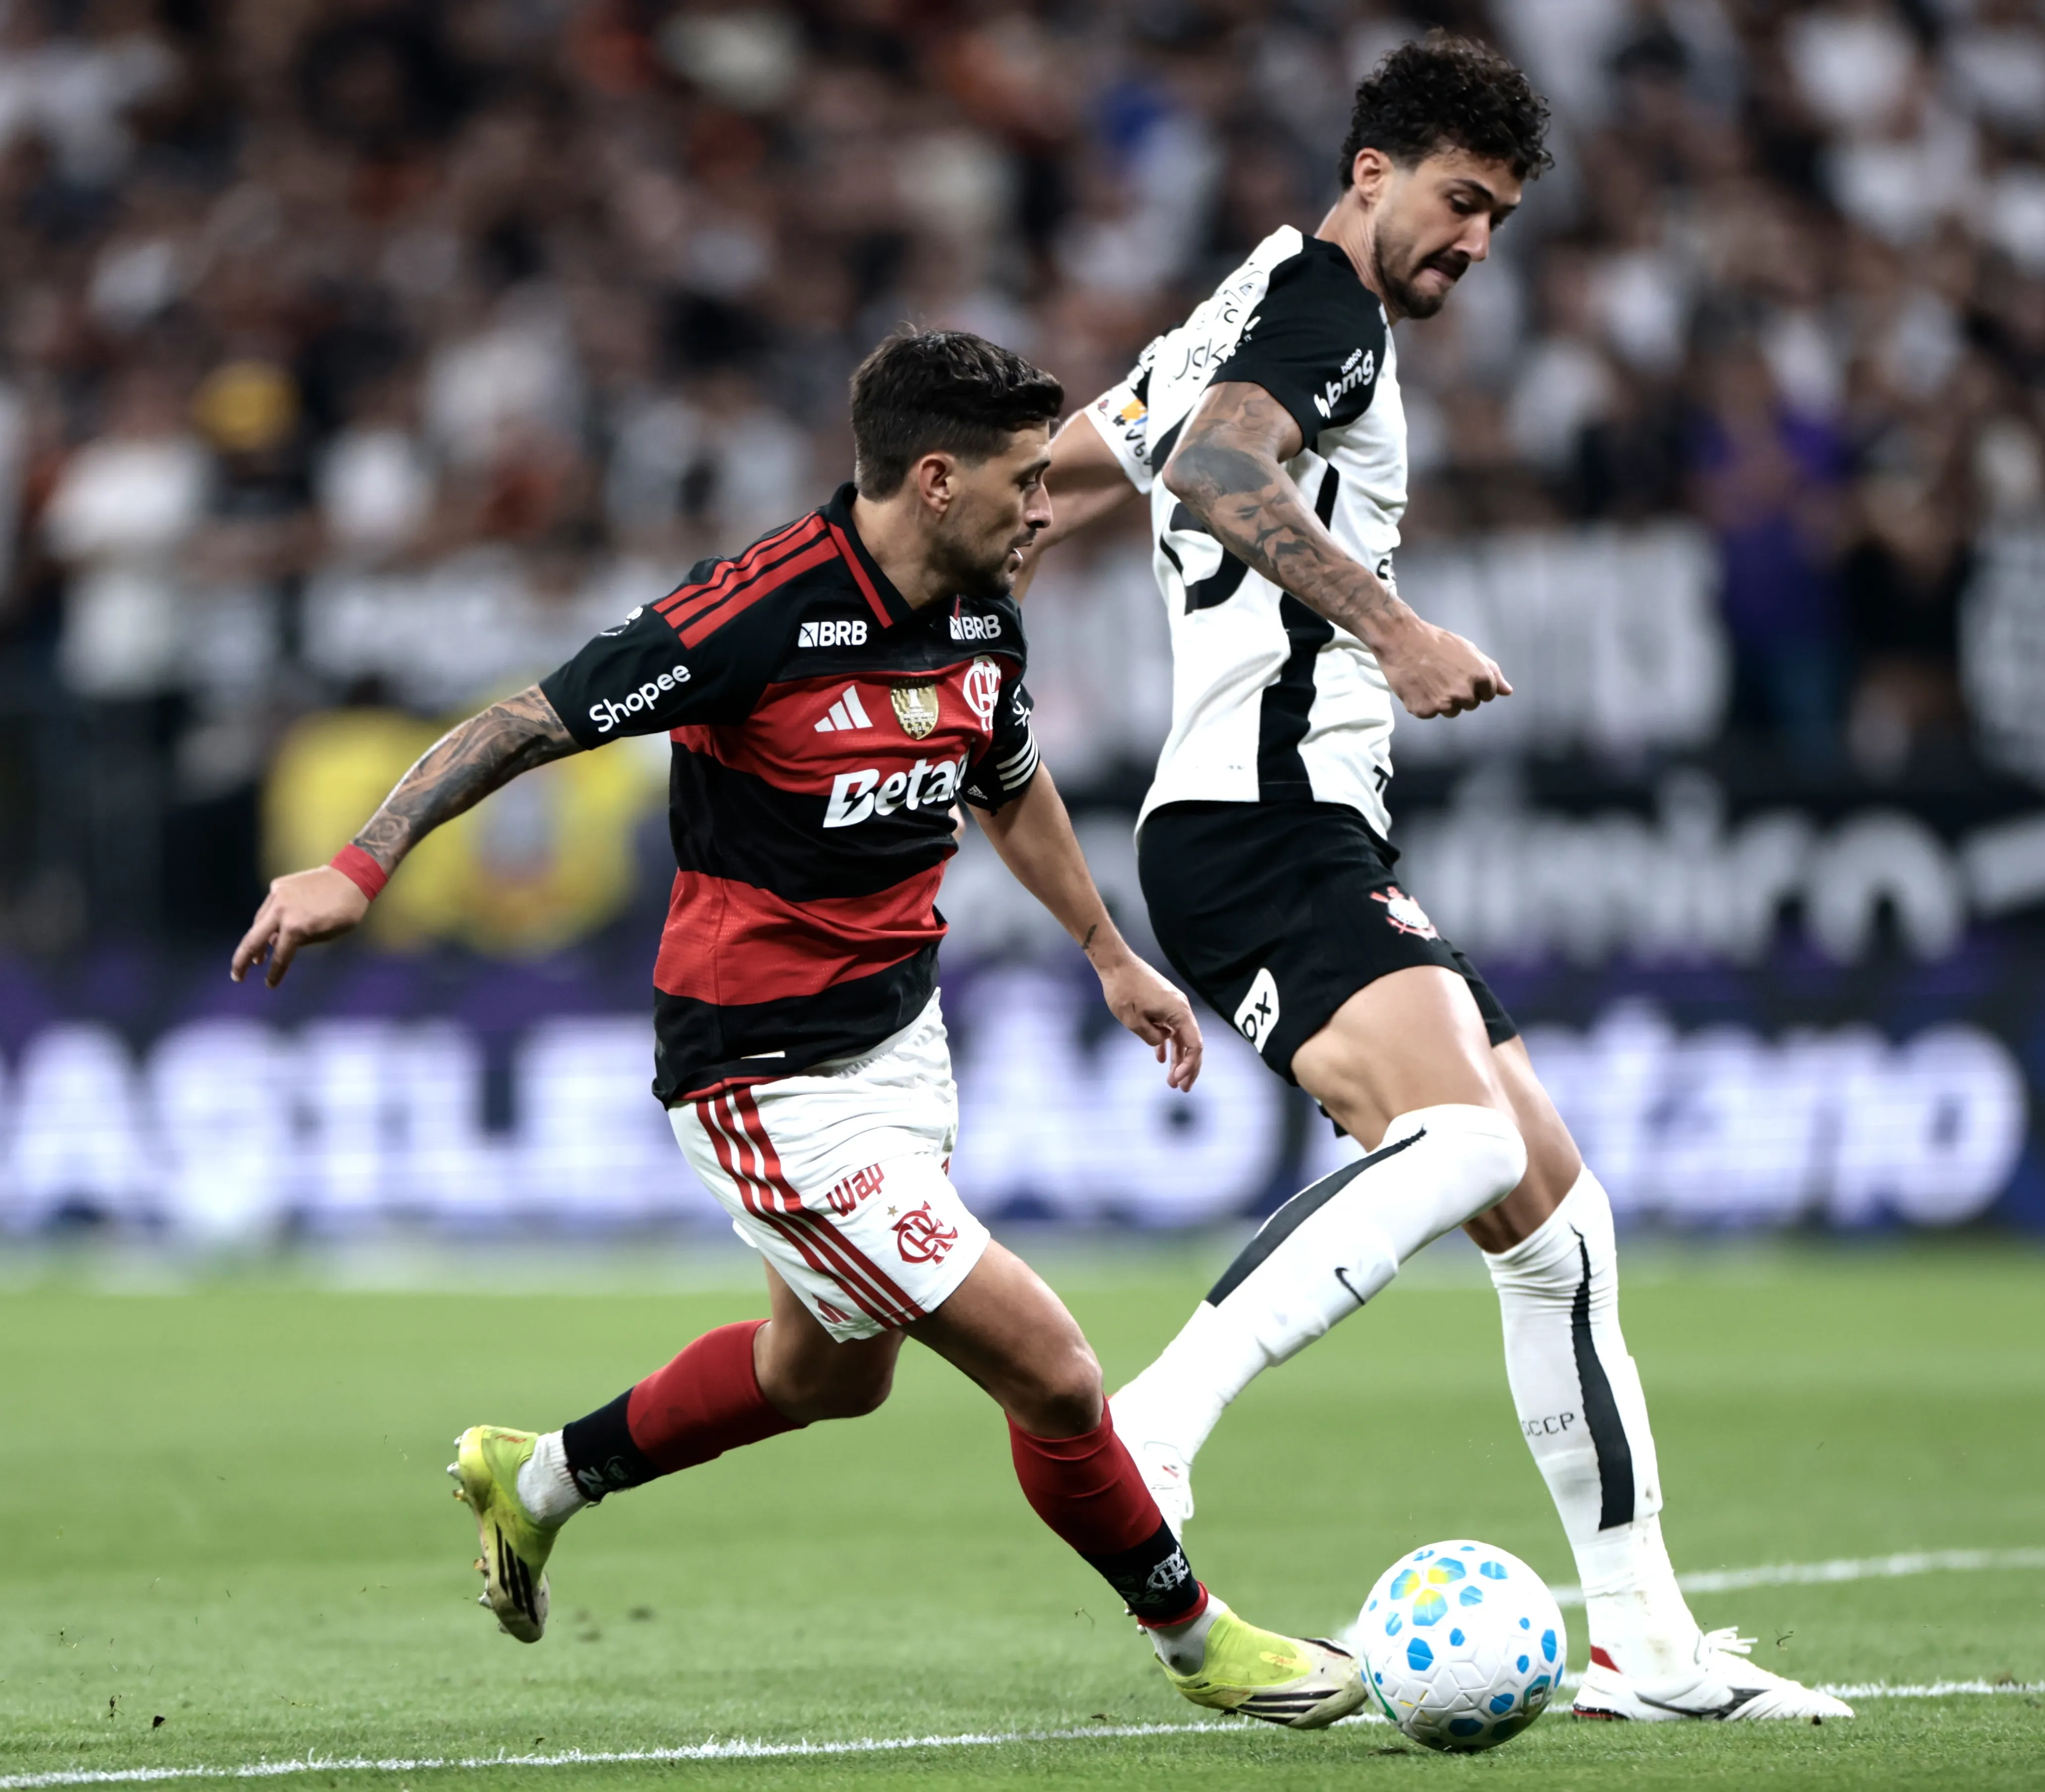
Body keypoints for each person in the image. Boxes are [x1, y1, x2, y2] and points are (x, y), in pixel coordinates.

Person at [231, 328, 1365, 1729]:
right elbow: (525, 723)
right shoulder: (751, 614)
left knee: (822, 1374)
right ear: (934, 478)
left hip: (900, 1041)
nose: (1044, 505)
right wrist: (359, 865)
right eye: (1024, 479)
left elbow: (1003, 778)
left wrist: (1105, 950)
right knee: (1055, 1371)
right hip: (762, 1081)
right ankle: (1202, 1644)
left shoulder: (979, 601)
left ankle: (532, 1478)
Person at [1019, 34, 1852, 1724]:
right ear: (1374, 170)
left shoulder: (1239, 300)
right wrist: (1391, 629)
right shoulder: (1319, 313)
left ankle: (1644, 1641)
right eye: (1458, 203)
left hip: (1293, 825)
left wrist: (934, 546)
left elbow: (1075, 465)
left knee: (1553, 1221)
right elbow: (1215, 470)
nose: (1472, 245)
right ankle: (1150, 1433)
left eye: (1498, 222)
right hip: (1265, 819)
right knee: (1460, 1140)